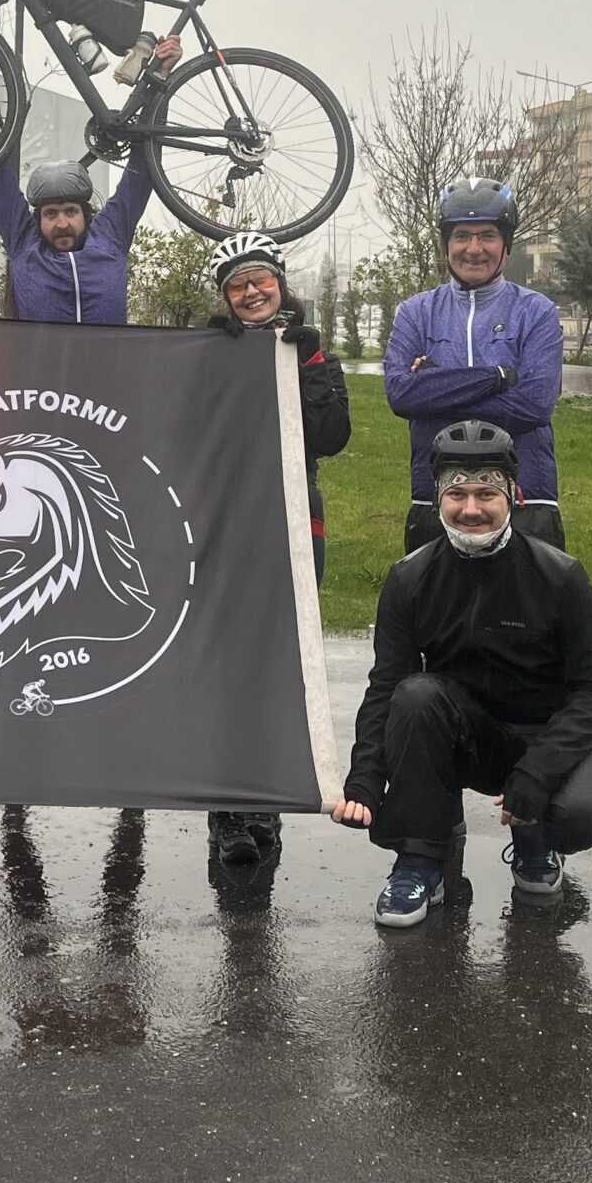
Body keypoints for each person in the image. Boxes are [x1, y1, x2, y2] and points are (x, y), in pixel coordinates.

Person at [330, 420, 592, 929]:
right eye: (456, 494)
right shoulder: (409, 578)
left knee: (582, 816)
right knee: (415, 697)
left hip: (544, 736)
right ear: (437, 499)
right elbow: (386, 687)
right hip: (464, 737)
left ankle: (536, 839)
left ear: (512, 496)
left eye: (486, 493)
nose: (471, 509)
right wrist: (365, 779)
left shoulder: (561, 576)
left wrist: (540, 771)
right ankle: (422, 858)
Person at [204, 229, 351, 870]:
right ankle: (227, 808)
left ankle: (264, 800)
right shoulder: (210, 351)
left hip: (294, 518)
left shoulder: (314, 352)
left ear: (280, 284)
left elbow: (333, 436)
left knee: (280, 664)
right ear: (225, 297)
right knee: (228, 665)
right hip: (228, 522)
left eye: (260, 280)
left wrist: (310, 364)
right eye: (237, 285)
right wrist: (211, 360)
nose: (251, 292)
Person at [384, 179, 567, 550]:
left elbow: (533, 406)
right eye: (462, 236)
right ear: (446, 243)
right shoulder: (416, 313)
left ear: (506, 245)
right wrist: (496, 378)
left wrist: (435, 385)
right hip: (435, 497)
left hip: (526, 497)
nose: (474, 248)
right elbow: (402, 396)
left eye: (487, 236)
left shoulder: (537, 312)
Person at [0, 38, 180, 324]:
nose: (62, 223)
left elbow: (143, 168)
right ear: (38, 220)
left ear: (86, 214)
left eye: (71, 211)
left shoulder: (110, 237)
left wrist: (161, 76)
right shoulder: (24, 244)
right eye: (51, 214)